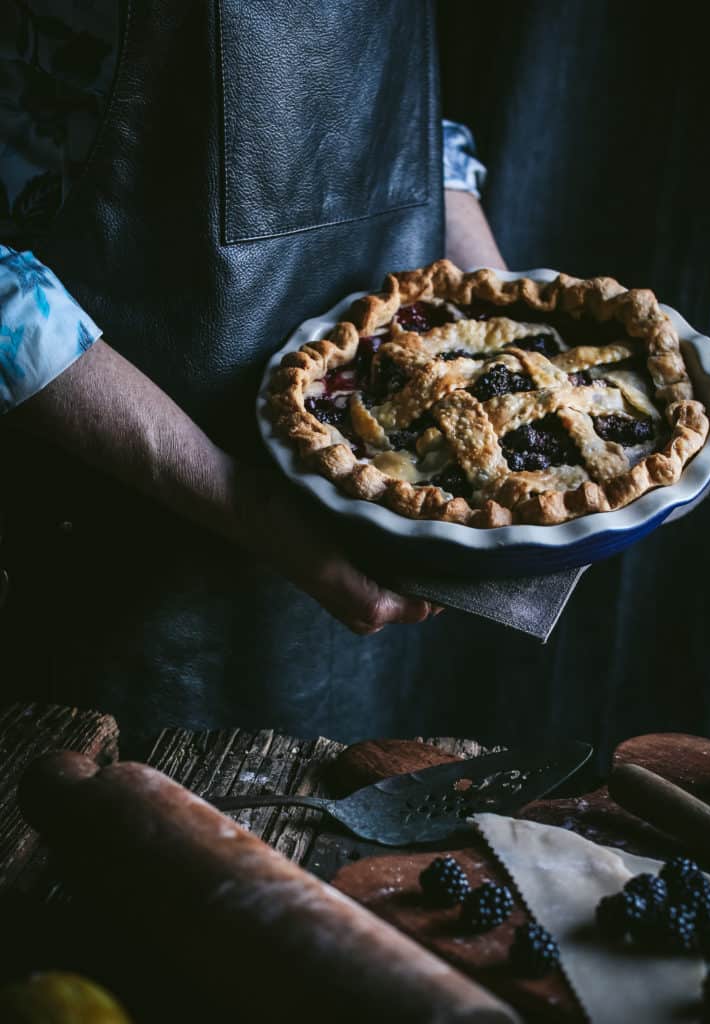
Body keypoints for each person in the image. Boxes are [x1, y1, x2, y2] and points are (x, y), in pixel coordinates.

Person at [0, 2, 506, 753]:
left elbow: (401, 116)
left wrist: (501, 329)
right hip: (118, 530)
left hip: (392, 522)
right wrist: (255, 509)